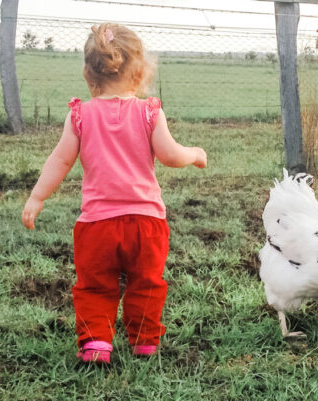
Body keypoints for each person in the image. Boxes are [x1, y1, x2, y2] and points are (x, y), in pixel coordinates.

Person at [21, 23, 206, 364]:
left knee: (94, 286)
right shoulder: (150, 111)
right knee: (146, 283)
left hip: (96, 226)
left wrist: (37, 197)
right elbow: (170, 155)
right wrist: (194, 153)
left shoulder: (80, 115)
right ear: (139, 71)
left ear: (90, 75)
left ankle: (95, 345)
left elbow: (60, 160)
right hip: (146, 223)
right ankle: (144, 342)